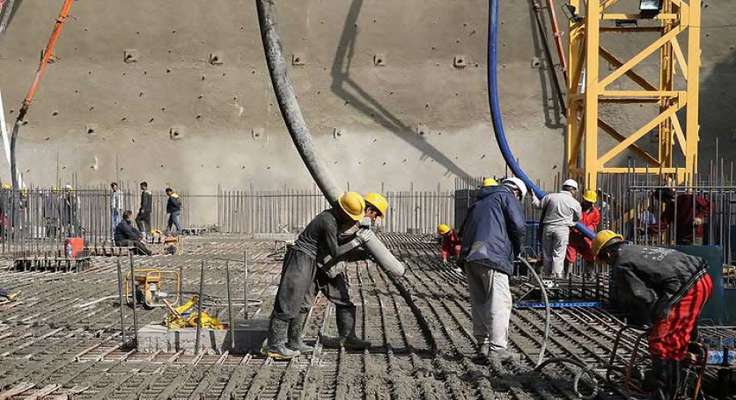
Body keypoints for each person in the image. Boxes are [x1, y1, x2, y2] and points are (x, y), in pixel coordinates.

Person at [592, 230, 713, 400]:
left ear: (609, 253)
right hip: (703, 279)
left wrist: (657, 321)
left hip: (686, 288)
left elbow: (644, 296)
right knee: (680, 338)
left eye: (604, 260)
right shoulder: (636, 250)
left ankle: (664, 394)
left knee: (661, 341)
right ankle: (683, 384)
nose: (607, 264)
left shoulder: (621, 264)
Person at [265, 192, 372, 360]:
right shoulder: (327, 221)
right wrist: (357, 242)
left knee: (302, 301)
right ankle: (275, 346)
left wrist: (362, 251)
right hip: (301, 257)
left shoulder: (336, 220)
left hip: (313, 260)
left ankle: (294, 342)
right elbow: (335, 251)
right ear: (344, 211)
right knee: (289, 298)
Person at [458, 177, 527, 362]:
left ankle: (483, 345)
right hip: (493, 257)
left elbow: (462, 231)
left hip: (471, 257)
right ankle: (497, 349)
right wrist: (517, 250)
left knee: (480, 302)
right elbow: (519, 226)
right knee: (499, 302)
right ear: (517, 192)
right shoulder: (507, 197)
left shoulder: (478, 202)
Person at [535, 179, 581, 278]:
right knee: (559, 254)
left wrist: (534, 197)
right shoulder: (575, 203)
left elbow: (538, 206)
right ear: (572, 190)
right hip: (562, 229)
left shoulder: (550, 197)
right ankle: (556, 276)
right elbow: (578, 218)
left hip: (548, 228)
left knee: (547, 253)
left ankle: (547, 276)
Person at [565, 190, 600, 274]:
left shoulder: (595, 212)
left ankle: (589, 275)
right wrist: (575, 228)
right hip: (574, 236)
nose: (589, 204)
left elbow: (595, 224)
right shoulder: (576, 208)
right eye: (587, 201)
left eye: (591, 202)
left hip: (587, 237)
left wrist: (587, 229)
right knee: (570, 256)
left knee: (590, 256)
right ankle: (567, 276)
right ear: (584, 200)